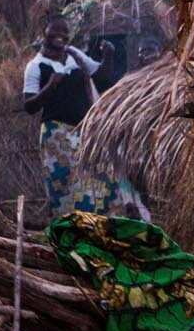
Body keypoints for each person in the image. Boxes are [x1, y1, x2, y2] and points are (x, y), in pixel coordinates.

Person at [21, 14, 145, 220]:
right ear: (45, 31)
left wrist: (108, 56)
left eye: (65, 32)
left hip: (84, 132)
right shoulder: (36, 66)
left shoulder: (74, 56)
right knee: (65, 188)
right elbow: (29, 106)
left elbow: (101, 75)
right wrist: (51, 85)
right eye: (55, 31)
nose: (60, 35)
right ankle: (72, 231)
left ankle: (104, 227)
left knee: (100, 180)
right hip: (56, 137)